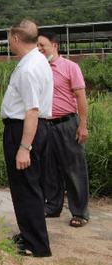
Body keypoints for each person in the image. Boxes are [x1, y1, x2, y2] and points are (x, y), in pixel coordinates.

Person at [1, 19, 53, 257]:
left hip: (24, 129)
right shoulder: (37, 60)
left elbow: (32, 110)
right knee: (29, 185)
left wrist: (24, 147)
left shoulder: (30, 67)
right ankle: (29, 233)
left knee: (26, 187)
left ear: (15, 38)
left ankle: (36, 245)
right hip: (32, 128)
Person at [37, 30, 90, 227]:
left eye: (43, 45)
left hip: (67, 124)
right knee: (48, 168)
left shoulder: (70, 67)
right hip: (45, 124)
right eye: (37, 46)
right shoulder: (39, 69)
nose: (40, 49)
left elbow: (80, 96)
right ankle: (52, 207)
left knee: (74, 168)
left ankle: (80, 212)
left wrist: (82, 125)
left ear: (55, 46)